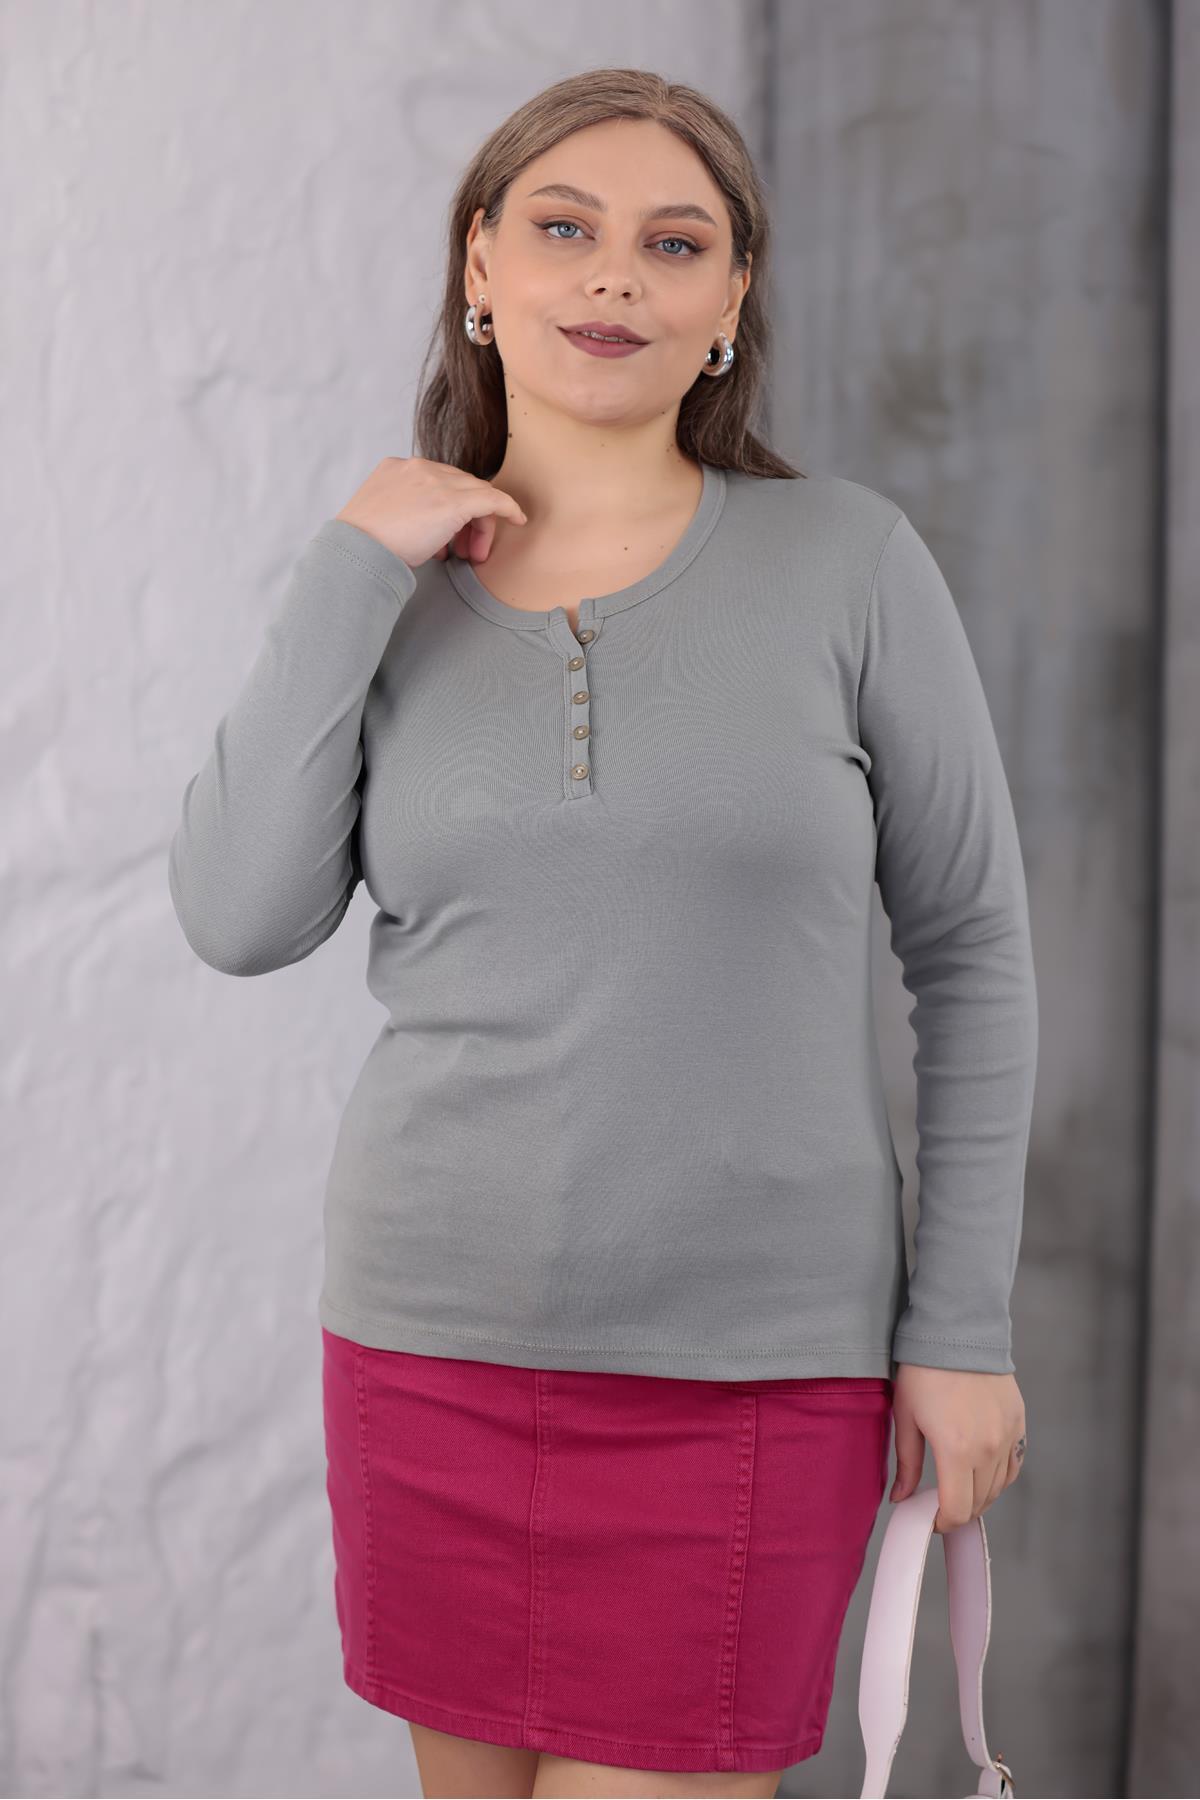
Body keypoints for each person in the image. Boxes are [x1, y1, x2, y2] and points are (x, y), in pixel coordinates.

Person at [168, 68, 1036, 1800]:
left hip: (754, 1376)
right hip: (429, 1355)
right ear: (480, 267)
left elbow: (972, 954)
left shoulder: (850, 563)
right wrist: (353, 562)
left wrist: (961, 1328)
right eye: (564, 228)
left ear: (731, 301)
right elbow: (240, 917)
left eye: (675, 242)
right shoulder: (386, 594)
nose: (616, 273)